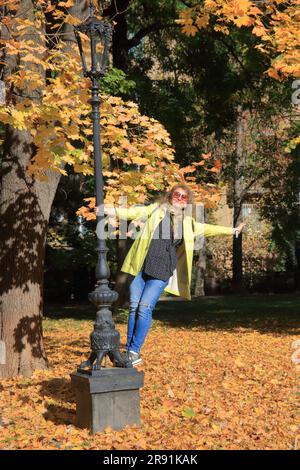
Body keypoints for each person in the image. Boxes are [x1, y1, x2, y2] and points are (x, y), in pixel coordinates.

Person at [103, 184, 245, 366]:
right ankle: (129, 351)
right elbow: (131, 213)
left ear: (187, 202)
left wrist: (232, 231)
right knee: (134, 307)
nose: (179, 198)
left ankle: (134, 350)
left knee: (145, 307)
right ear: (170, 196)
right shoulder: (156, 210)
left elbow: (207, 228)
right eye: (176, 195)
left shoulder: (187, 223)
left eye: (184, 197)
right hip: (141, 265)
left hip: (162, 269)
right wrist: (109, 210)